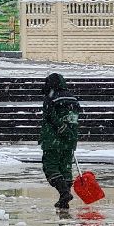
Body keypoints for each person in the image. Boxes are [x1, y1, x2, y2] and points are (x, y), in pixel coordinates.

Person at [38, 72, 81, 209]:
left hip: (53, 140)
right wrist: (70, 136)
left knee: (50, 167)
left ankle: (64, 193)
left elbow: (50, 116)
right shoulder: (73, 99)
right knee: (65, 168)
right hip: (70, 140)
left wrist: (62, 129)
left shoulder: (51, 98)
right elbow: (74, 119)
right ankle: (64, 198)